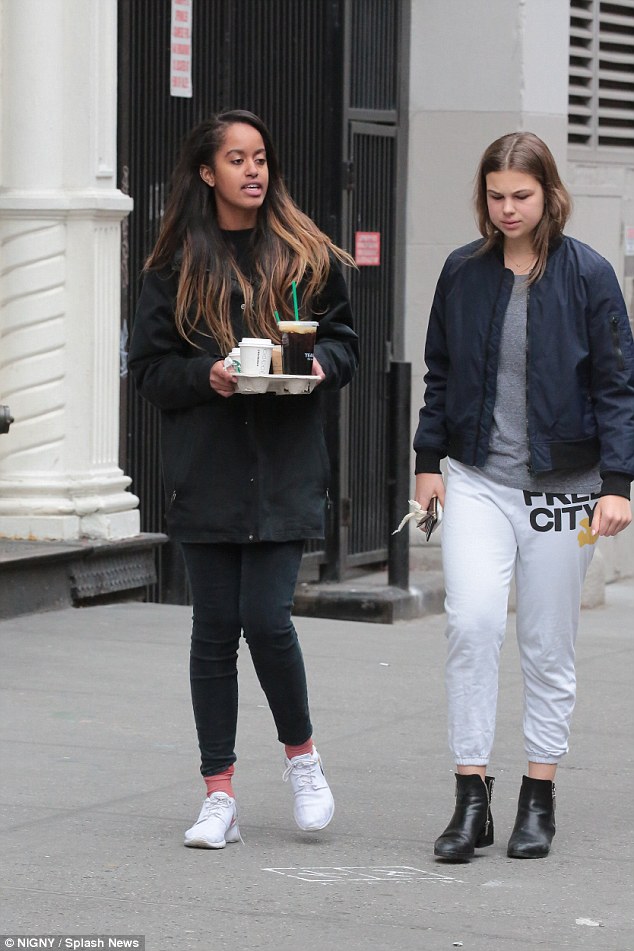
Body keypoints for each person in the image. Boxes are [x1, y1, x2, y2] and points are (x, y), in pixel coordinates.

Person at [128, 110, 358, 849]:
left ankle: (302, 758)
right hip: (209, 472)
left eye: (260, 156)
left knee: (267, 618)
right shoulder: (173, 266)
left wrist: (324, 365)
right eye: (236, 158)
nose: (253, 170)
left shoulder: (303, 253)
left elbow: (345, 339)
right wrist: (210, 375)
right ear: (207, 172)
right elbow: (150, 370)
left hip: (287, 468)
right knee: (213, 632)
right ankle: (218, 794)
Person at [413, 132, 634, 862]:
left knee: (546, 644)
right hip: (477, 477)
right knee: (472, 624)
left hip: (564, 491)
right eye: (495, 196)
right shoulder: (461, 272)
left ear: (549, 196)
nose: (507, 209)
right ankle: (469, 796)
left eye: (521, 196)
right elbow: (438, 371)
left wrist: (618, 484)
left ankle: (538, 795)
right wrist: (428, 462)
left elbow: (616, 387)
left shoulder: (589, 275)